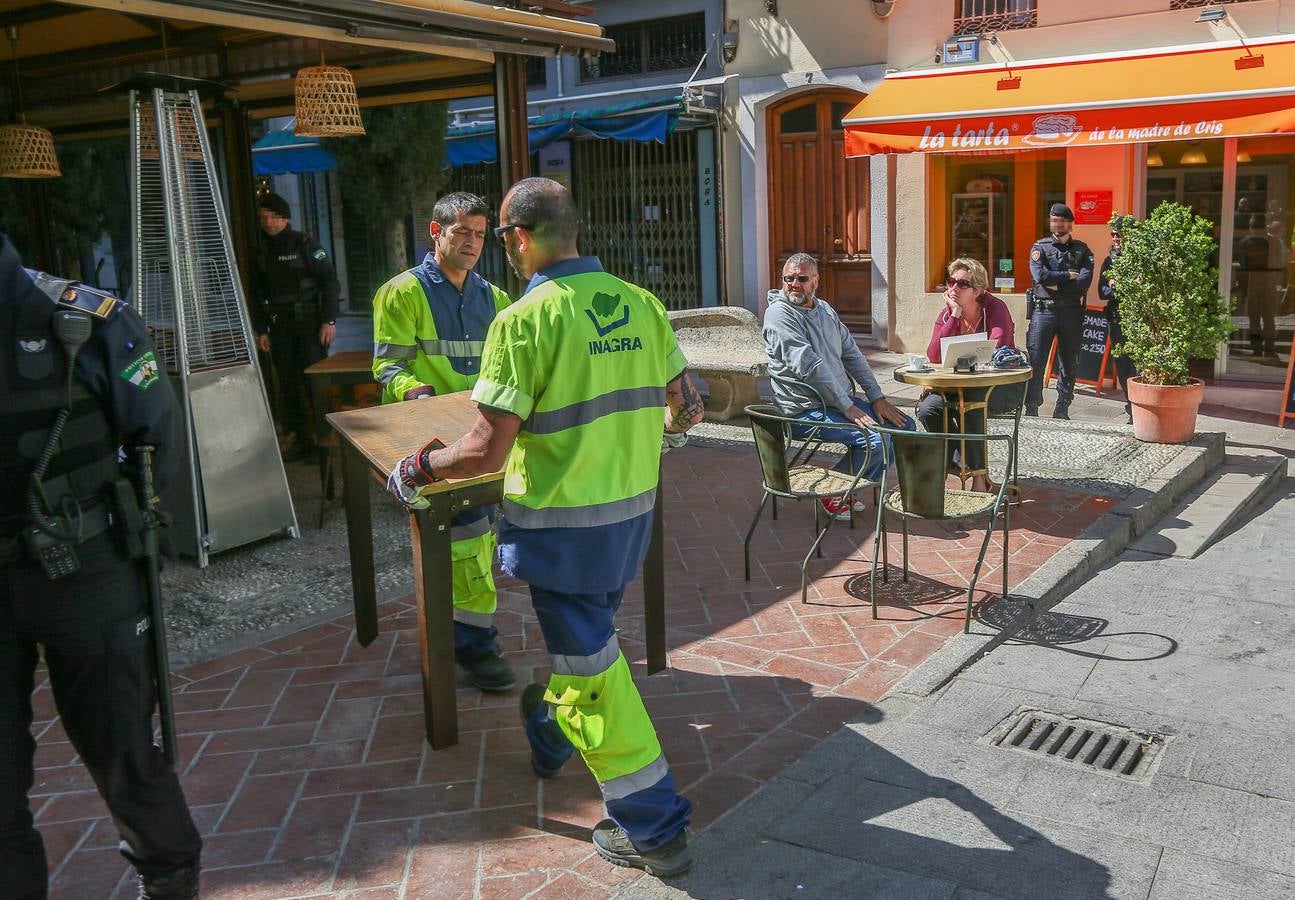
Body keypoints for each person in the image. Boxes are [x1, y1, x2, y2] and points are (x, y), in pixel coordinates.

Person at [385, 178, 701, 878]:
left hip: (561, 536)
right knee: (587, 651)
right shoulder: (642, 304)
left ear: (517, 238)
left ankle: (654, 828)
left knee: (592, 674)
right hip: (628, 523)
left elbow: (483, 452)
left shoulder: (523, 321)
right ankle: (548, 729)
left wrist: (414, 469)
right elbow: (683, 410)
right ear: (574, 229)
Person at [0, 235, 202, 899]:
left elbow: (157, 438)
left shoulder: (86, 320)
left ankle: (169, 876)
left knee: (122, 748)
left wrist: (135, 540)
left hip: (85, 573)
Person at [371, 192, 515, 692]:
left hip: (486, 438)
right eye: (462, 233)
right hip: (434, 444)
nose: (473, 243)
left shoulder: (496, 299)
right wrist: (415, 390)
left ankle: (462, 631)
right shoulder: (401, 293)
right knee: (471, 537)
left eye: (480, 234)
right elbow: (388, 366)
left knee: (485, 537)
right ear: (436, 232)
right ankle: (475, 645)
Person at [763, 252, 914, 520]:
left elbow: (853, 355)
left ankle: (849, 485)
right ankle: (834, 491)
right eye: (788, 279)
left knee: (904, 426)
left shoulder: (825, 311)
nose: (794, 284)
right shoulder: (779, 314)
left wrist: (877, 397)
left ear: (816, 281)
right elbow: (809, 368)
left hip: (834, 402)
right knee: (875, 440)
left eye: (801, 278)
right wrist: (847, 406)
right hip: (803, 410)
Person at [251, 191, 341, 462]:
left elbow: (330, 282)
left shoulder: (304, 243)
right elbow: (256, 294)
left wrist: (329, 320)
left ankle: (325, 439)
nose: (268, 223)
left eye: (273, 217)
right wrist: (261, 329)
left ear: (284, 218)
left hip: (311, 325)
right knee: (288, 384)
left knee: (314, 382)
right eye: (263, 218)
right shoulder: (261, 251)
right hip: (281, 327)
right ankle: (304, 440)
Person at [916, 258, 1021, 492]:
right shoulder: (948, 314)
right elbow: (933, 355)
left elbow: (997, 347)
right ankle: (961, 464)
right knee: (928, 409)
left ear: (977, 290)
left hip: (1000, 387)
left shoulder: (995, 308)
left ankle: (979, 480)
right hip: (957, 388)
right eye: (951, 282)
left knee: (973, 402)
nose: (953, 288)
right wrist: (954, 315)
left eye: (962, 284)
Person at [1024, 203, 1094, 420]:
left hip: (1071, 313)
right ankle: (1032, 406)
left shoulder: (1082, 250)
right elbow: (1041, 278)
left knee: (1069, 362)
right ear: (1050, 222)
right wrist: (1068, 276)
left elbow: (1084, 282)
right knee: (1036, 360)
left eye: (1062, 220)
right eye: (1054, 219)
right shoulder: (1040, 248)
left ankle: (1063, 406)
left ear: (1070, 224)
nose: (1058, 223)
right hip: (1044, 312)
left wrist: (1058, 282)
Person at [1099, 216, 1138, 423]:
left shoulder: (1140, 260)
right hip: (1116, 319)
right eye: (1113, 234)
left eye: (1119, 234)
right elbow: (1103, 291)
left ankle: (1138, 407)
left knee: (1138, 366)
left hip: (1137, 319)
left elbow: (1142, 291)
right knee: (1122, 365)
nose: (1115, 238)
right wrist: (1120, 287)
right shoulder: (1109, 261)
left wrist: (1117, 285)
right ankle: (1130, 404)